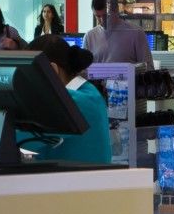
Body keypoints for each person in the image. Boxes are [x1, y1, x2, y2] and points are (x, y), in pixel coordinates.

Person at [23, 37, 113, 165]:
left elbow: (17, 137)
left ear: (52, 70)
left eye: (30, 75)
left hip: (76, 183)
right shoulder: (87, 93)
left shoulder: (76, 102)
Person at [85, 0, 154, 69]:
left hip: (130, 81)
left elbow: (148, 68)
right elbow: (84, 72)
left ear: (117, 10)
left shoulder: (136, 33)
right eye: (97, 16)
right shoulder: (89, 37)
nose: (102, 21)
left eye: (105, 16)